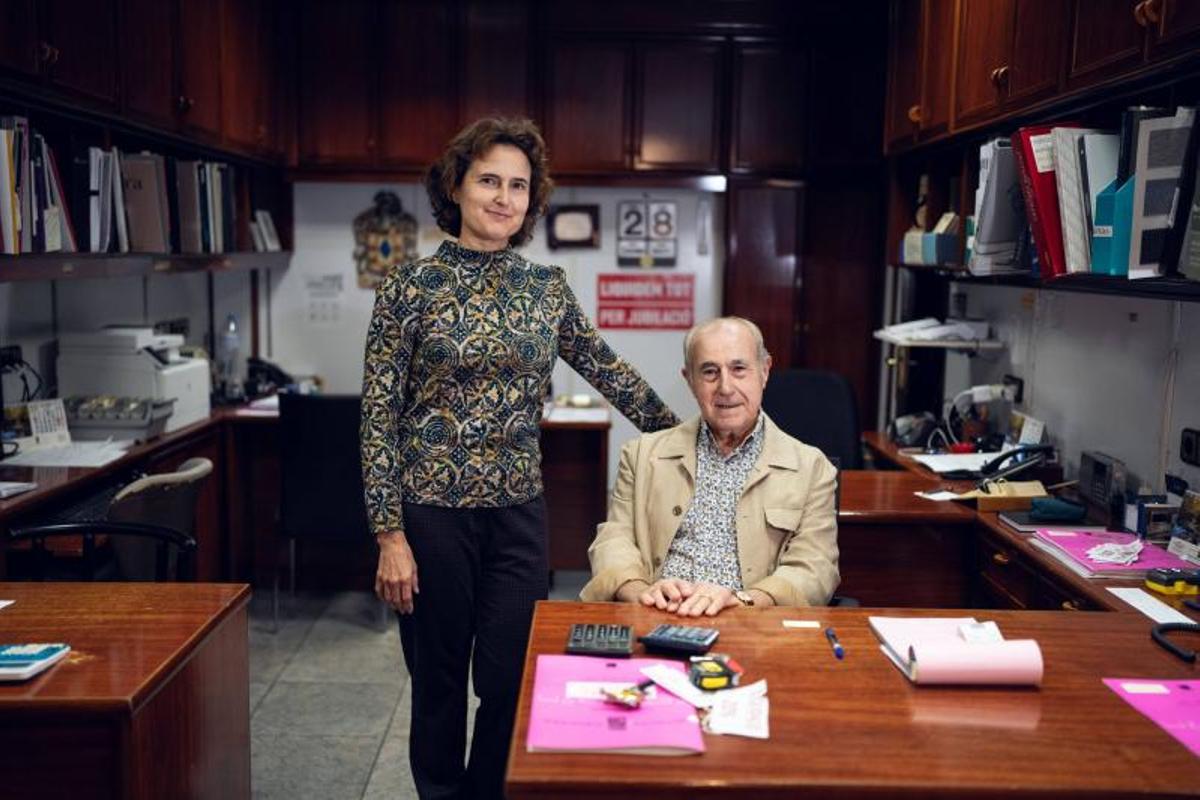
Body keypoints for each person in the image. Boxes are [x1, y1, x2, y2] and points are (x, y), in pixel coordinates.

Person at [360, 117, 678, 800]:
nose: (504, 197)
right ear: (457, 185)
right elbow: (378, 417)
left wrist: (685, 433)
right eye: (489, 181)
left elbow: (608, 370)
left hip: (518, 515)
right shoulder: (408, 288)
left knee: (511, 677)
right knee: (439, 682)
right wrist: (390, 536)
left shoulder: (546, 289)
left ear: (532, 201)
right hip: (431, 518)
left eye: (518, 186)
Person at [581, 316, 839, 615]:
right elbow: (614, 542)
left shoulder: (811, 468)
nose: (725, 387)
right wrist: (643, 591)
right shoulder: (641, 455)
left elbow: (815, 569)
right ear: (689, 380)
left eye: (739, 369)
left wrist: (745, 599)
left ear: (765, 371)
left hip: (752, 625)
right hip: (656, 617)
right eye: (709, 372)